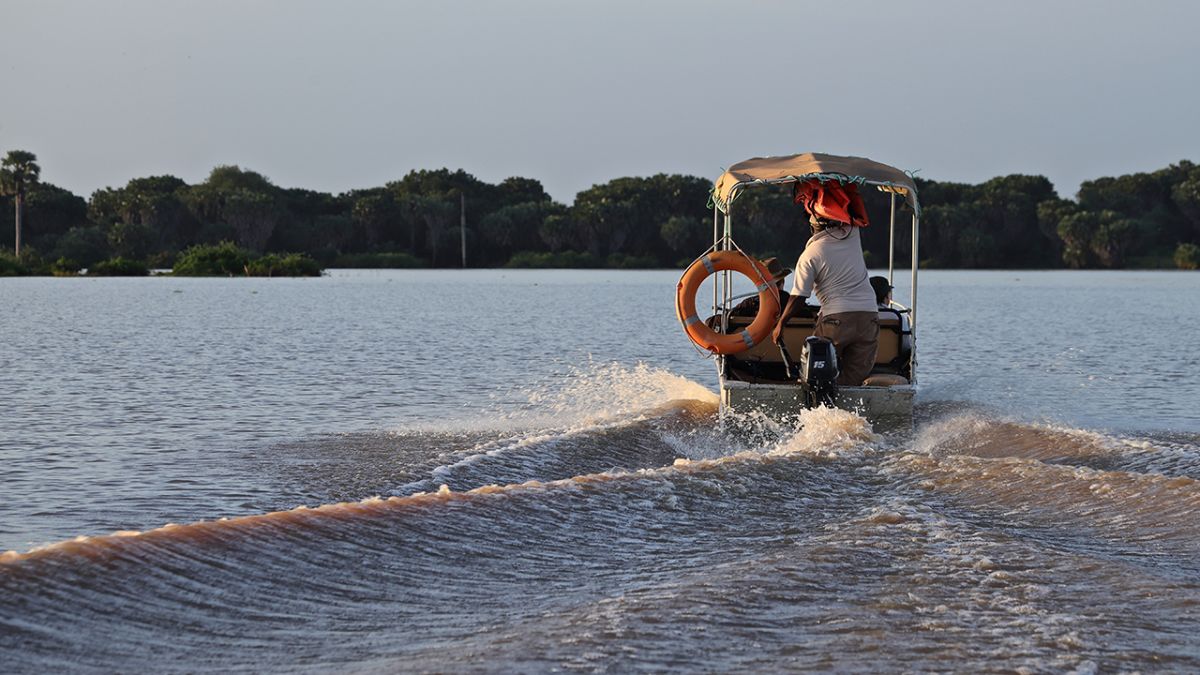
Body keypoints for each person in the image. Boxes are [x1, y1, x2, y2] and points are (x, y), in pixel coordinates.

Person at [772, 208, 879, 387]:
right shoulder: (852, 234)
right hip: (869, 316)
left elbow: (799, 296)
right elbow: (852, 209)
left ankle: (821, 407)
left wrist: (781, 324)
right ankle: (850, 408)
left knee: (817, 371)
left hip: (837, 318)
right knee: (854, 379)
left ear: (813, 228)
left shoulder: (809, 255)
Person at [870, 275, 912, 355]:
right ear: (886, 296)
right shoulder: (897, 318)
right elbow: (906, 346)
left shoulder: (860, 317)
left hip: (862, 364)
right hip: (893, 364)